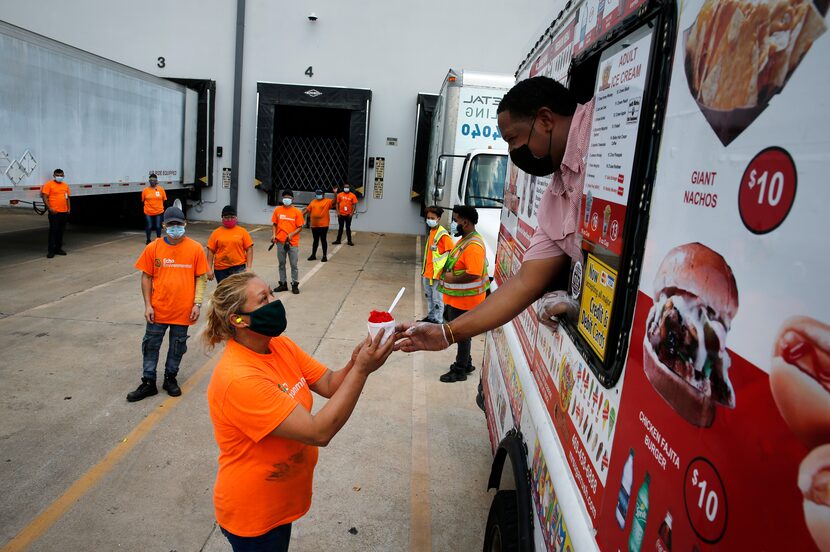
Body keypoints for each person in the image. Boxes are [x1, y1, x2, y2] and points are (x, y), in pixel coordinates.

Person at [395, 76, 594, 354]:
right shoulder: (557, 194)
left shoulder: (605, 133)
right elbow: (526, 281)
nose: (512, 152)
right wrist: (447, 332)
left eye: (512, 139)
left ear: (546, 120)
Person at [204, 272, 395, 552]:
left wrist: (355, 362)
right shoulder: (239, 378)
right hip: (254, 513)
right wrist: (362, 371)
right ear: (239, 320)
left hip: (282, 500)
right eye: (264, 299)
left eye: (271, 293)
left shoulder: (278, 345)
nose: (275, 302)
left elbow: (330, 383)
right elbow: (319, 432)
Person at [127, 206, 208, 402]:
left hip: (183, 311)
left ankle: (170, 379)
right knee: (151, 345)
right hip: (158, 310)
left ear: (185, 225)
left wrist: (197, 304)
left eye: (178, 224)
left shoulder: (195, 248)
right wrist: (148, 305)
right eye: (171, 224)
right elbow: (146, 277)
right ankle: (148, 382)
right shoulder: (153, 248)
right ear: (164, 226)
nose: (175, 228)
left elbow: (201, 278)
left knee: (177, 347)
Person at [435, 205, 490, 382]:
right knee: (462, 334)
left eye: (456, 220)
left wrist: (451, 279)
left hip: (466, 301)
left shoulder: (473, 245)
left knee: (461, 334)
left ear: (465, 222)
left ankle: (459, 370)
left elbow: (473, 273)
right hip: (458, 299)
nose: (453, 223)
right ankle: (467, 363)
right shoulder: (466, 239)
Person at [421, 205, 454, 324]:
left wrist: (445, 270)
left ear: (438, 219)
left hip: (437, 274)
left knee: (437, 299)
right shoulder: (432, 231)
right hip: (428, 273)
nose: (429, 220)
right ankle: (431, 318)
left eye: (432, 217)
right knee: (429, 297)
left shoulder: (443, 235)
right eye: (428, 217)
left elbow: (452, 253)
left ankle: (438, 321)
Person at [207, 205, 254, 284]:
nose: (229, 219)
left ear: (236, 217)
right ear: (222, 218)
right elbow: (210, 251)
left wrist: (249, 267)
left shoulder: (242, 232)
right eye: (226, 217)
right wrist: (208, 269)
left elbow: (249, 249)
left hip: (239, 268)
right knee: (224, 292)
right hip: (221, 269)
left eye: (232, 217)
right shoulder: (216, 233)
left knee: (237, 292)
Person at [271, 190, 304, 295]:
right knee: (281, 264)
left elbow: (300, 227)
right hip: (280, 241)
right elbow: (274, 224)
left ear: (292, 199)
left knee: (294, 265)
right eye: (285, 197)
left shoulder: (297, 212)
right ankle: (283, 284)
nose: (287, 199)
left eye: (289, 197)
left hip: (292, 243)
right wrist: (273, 234)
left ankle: (294, 284)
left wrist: (292, 234)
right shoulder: (277, 210)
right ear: (282, 199)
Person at [40, 168, 70, 258]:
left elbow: (67, 198)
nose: (59, 177)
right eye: (57, 175)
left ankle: (58, 249)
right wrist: (49, 208)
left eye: (61, 175)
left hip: (64, 212)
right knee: (53, 231)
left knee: (61, 231)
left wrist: (69, 209)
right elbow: (44, 197)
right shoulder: (49, 185)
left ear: (63, 176)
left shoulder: (65, 186)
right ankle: (51, 251)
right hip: (54, 212)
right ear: (54, 176)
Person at [302, 188, 333, 262]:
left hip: (323, 225)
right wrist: (302, 214)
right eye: (317, 194)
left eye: (320, 194)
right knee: (315, 240)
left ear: (323, 194)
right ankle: (313, 255)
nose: (318, 195)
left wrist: (335, 193)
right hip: (314, 225)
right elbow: (308, 209)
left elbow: (335, 202)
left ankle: (324, 256)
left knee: (323, 239)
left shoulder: (327, 201)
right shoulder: (313, 201)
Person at [141, 174, 167, 244]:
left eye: (154, 180)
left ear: (156, 181)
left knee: (158, 226)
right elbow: (143, 200)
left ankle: (158, 239)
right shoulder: (145, 190)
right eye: (151, 180)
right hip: (148, 212)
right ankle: (148, 240)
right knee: (149, 226)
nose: (152, 182)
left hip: (159, 211)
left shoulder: (161, 189)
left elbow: (164, 199)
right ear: (149, 181)